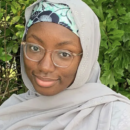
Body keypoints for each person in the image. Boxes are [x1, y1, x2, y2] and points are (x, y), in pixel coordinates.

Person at [0, 0, 130, 129]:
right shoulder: (10, 113)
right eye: (35, 48)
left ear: (86, 58)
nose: (45, 66)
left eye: (64, 54)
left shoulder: (116, 118)